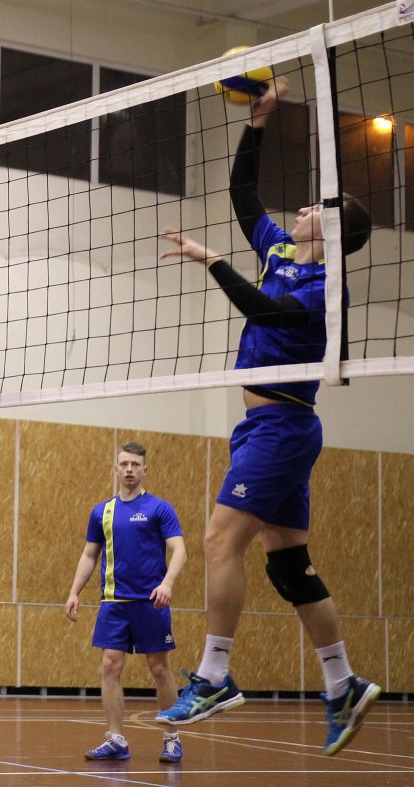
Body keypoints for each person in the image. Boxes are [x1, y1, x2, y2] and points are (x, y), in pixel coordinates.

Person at [155, 77, 377, 756]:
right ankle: (342, 682)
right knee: (289, 565)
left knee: (219, 540)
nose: (305, 207)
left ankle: (214, 675)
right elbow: (241, 194)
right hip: (267, 428)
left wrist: (214, 261)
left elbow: (268, 312)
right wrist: (257, 124)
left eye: (318, 206)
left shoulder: (325, 288)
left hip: (283, 426)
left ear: (331, 230)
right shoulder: (280, 252)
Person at [65, 442, 187, 764]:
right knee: (110, 665)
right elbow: (89, 555)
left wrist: (167, 583)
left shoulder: (160, 508)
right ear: (116, 469)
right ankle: (116, 739)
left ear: (145, 469)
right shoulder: (102, 512)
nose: (129, 469)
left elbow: (179, 550)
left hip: (150, 602)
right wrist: (75, 591)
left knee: (159, 669)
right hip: (114, 603)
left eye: (135, 464)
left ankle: (172, 738)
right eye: (124, 464)